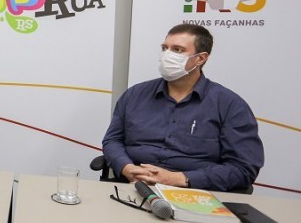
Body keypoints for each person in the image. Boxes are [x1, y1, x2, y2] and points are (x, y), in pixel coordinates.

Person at [102, 24, 263, 192]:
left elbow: (243, 168)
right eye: (164, 48)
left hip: (197, 193)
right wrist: (127, 168)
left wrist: (179, 179)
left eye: (177, 50)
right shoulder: (135, 95)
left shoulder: (230, 105)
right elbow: (112, 140)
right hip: (134, 187)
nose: (167, 55)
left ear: (200, 58)